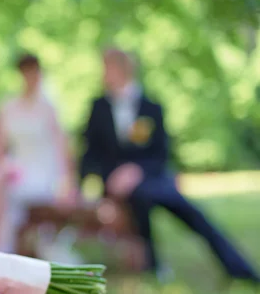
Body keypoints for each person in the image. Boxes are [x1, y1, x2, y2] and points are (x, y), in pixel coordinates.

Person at [80, 47, 259, 282]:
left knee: (193, 215)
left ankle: (240, 269)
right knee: (139, 200)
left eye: (108, 68)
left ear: (123, 70)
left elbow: (162, 154)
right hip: (119, 186)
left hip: (154, 179)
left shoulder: (151, 107)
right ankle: (152, 265)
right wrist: (92, 182)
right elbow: (90, 152)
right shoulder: (98, 107)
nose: (103, 74)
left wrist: (136, 171)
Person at [0, 54, 78, 253]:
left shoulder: (49, 107)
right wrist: (2, 165)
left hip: (44, 173)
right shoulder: (9, 106)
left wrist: (68, 182)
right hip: (17, 166)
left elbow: (64, 149)